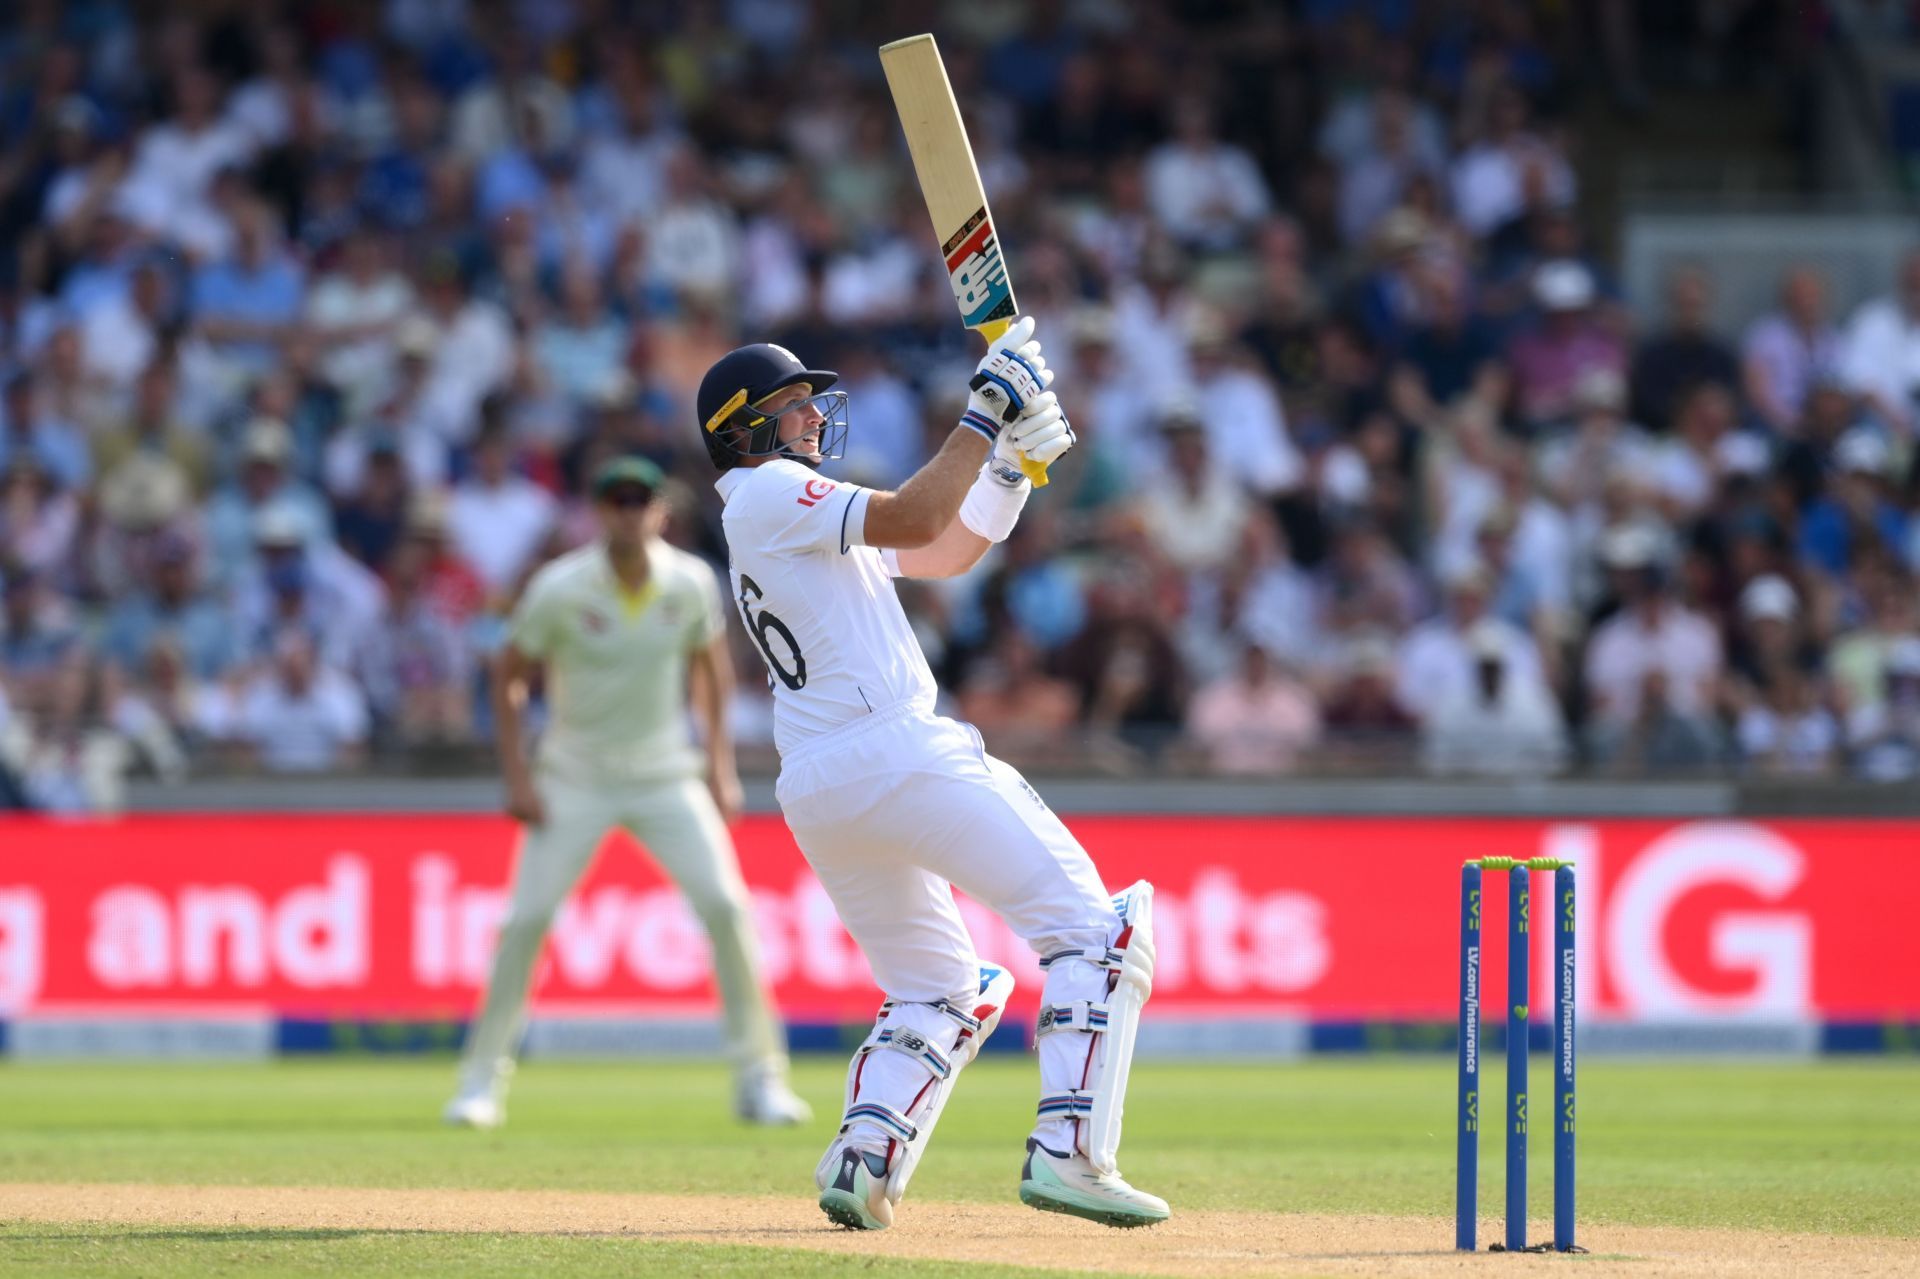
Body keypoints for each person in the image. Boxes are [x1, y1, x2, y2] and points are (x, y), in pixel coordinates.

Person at [703, 325, 1167, 1230]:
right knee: (1099, 933)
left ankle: (862, 1159)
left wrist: (1009, 468)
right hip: (894, 749)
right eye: (789, 404)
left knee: (939, 987)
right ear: (741, 428)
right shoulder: (767, 492)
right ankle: (1072, 1155)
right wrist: (985, 409)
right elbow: (917, 515)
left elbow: (942, 550)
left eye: (809, 400)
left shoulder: (783, 514)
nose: (809, 413)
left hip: (821, 784)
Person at [446, 456, 807, 1131]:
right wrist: (518, 776)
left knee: (727, 908)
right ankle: (480, 1082)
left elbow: (712, 675)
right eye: (615, 500)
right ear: (598, 511)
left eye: (640, 500)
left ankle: (761, 1079)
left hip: (665, 772)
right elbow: (508, 675)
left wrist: (719, 767)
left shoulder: (691, 580)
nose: (628, 511)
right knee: (524, 921)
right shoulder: (559, 587)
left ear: (661, 513)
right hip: (572, 775)